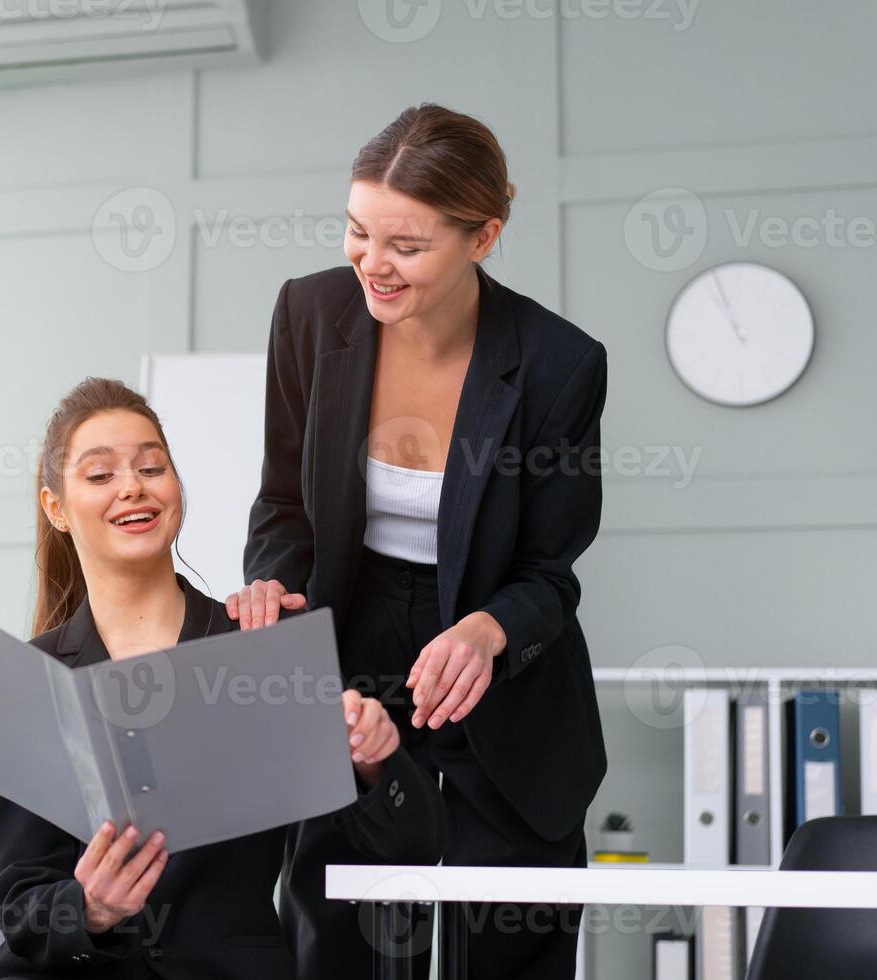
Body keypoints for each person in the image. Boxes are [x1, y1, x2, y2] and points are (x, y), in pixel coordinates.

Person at [230, 103, 609, 979]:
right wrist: (271, 584)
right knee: (339, 934)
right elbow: (284, 504)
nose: (373, 263)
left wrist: (489, 630)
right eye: (359, 232)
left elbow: (550, 572)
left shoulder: (558, 363)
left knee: (507, 937)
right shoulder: (309, 313)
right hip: (348, 658)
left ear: (484, 236)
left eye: (407, 245)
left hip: (496, 674)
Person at [0, 376, 446, 980]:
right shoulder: (28, 682)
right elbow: (18, 896)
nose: (132, 488)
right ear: (55, 508)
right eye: (99, 475)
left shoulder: (257, 647)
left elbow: (412, 847)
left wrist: (378, 761)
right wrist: (88, 910)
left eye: (152, 467)